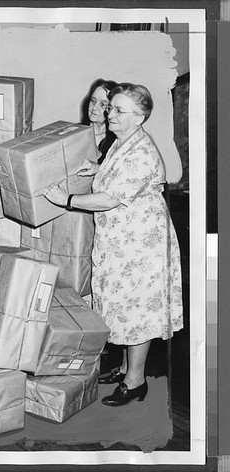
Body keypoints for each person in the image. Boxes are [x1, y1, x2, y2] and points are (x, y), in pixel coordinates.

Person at [44, 83, 183, 407]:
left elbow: (109, 198)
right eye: (111, 108)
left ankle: (135, 381)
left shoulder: (141, 151)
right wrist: (98, 168)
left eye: (119, 110)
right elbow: (116, 172)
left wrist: (66, 199)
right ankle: (124, 369)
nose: (111, 114)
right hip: (124, 239)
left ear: (140, 116)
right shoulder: (124, 140)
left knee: (137, 311)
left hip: (141, 244)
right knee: (123, 306)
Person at [83, 78, 118, 164]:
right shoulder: (76, 133)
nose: (94, 107)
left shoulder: (117, 140)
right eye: (93, 101)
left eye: (102, 104)